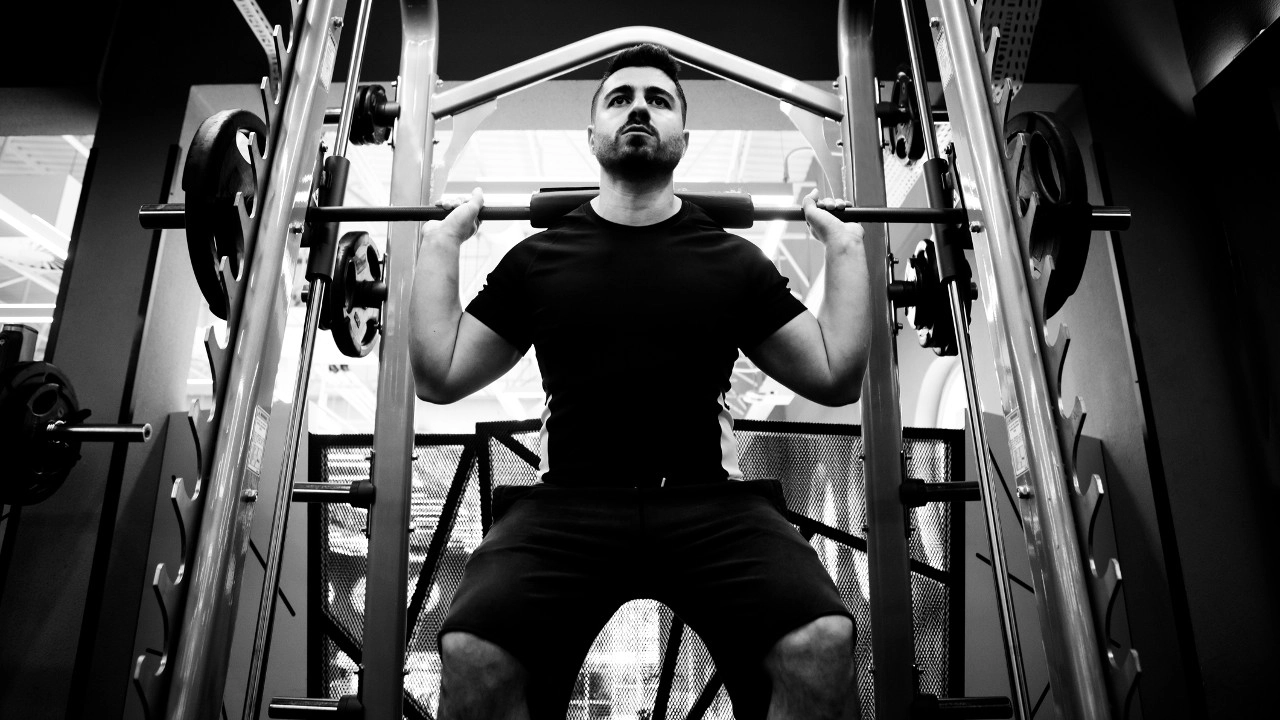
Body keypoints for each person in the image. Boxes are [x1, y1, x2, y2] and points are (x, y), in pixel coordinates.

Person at [410, 43, 870, 720]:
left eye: (658, 100)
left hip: (708, 503)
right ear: (591, 131)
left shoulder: (733, 261)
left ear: (684, 133)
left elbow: (834, 376)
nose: (639, 110)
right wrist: (440, 244)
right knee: (473, 651)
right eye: (620, 98)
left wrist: (846, 246)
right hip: (568, 505)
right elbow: (440, 374)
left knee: (822, 642)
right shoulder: (537, 258)